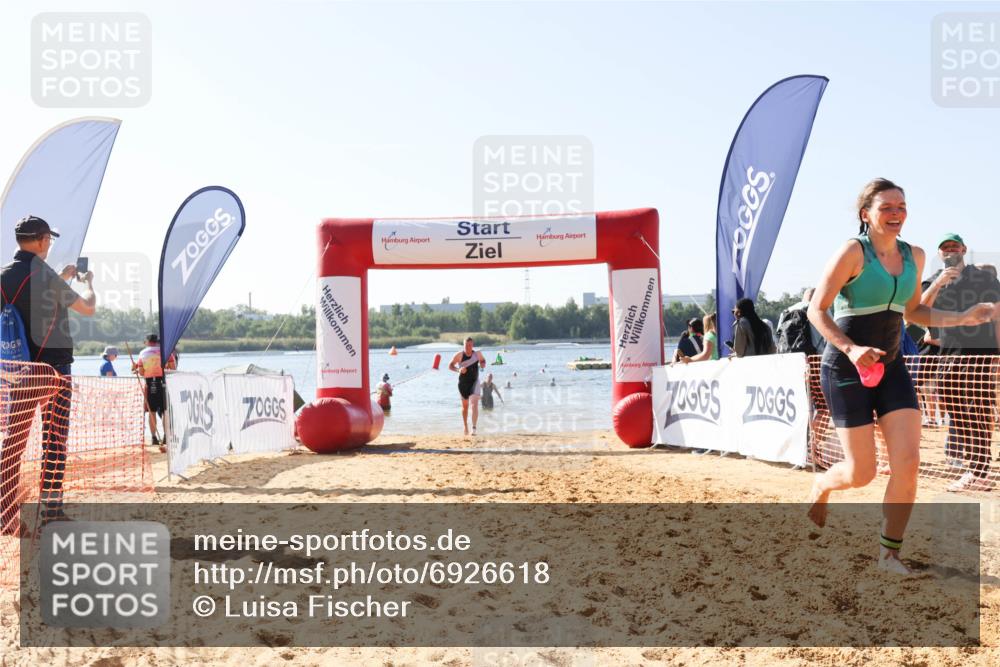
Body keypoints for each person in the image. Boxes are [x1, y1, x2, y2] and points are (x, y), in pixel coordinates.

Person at [805, 179, 997, 574]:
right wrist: (852, 350)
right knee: (862, 474)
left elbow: (914, 313)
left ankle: (889, 554)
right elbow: (816, 311)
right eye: (887, 207)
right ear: (866, 214)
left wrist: (963, 318)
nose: (896, 214)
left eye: (902, 206)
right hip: (846, 368)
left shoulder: (916, 256)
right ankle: (824, 484)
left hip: (891, 367)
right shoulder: (852, 252)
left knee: (908, 462)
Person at [1, 215, 96, 533]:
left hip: (18, 369)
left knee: (13, 443)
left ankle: (6, 516)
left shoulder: (3, 276)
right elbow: (86, 308)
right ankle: (51, 512)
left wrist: (60, 278)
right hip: (54, 370)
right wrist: (89, 286)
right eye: (49, 240)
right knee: (54, 441)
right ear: (42, 240)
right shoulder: (47, 276)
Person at [921, 233, 1000, 491]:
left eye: (954, 246)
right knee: (955, 411)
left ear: (964, 249)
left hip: (981, 353)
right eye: (945, 247)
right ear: (939, 253)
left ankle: (979, 471)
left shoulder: (983, 277)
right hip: (948, 354)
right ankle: (974, 469)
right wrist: (938, 284)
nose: (950, 250)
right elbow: (918, 313)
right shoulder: (932, 281)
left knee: (976, 410)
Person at [133, 334, 176, 446]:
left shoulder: (143, 353)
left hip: (150, 383)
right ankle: (166, 436)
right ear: (156, 341)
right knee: (165, 411)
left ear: (147, 342)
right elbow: (173, 368)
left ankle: (153, 437)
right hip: (163, 383)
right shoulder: (166, 351)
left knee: (151, 412)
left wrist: (140, 369)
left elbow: (142, 372)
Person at [448, 337, 486, 436]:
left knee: (474, 404)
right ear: (463, 345)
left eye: (470, 345)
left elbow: (483, 361)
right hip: (463, 384)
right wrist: (458, 370)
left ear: (472, 345)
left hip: (474, 382)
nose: (468, 347)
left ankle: (474, 428)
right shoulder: (459, 355)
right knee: (465, 406)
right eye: (466, 345)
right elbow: (450, 366)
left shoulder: (477, 354)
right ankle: (465, 426)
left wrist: (482, 364)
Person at [776, 288, 824, 355]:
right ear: (818, 297)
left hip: (787, 356)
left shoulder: (785, 312)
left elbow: (778, 335)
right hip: (813, 357)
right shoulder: (819, 309)